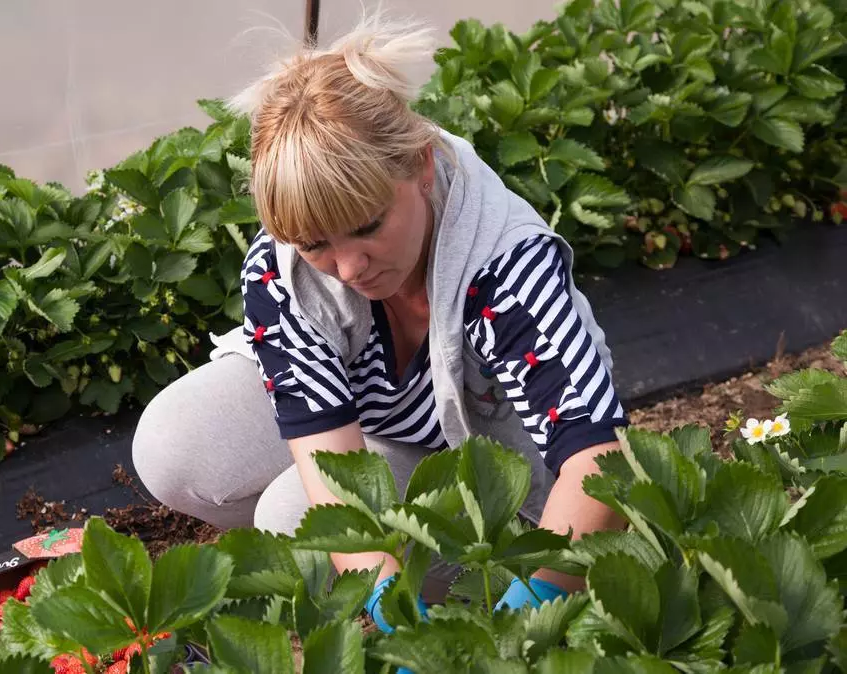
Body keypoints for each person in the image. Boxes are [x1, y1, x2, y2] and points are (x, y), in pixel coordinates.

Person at [132, 12, 628, 626]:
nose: (346, 267)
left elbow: (599, 460)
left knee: (292, 518)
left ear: (421, 165)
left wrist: (529, 614)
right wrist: (393, 611)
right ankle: (378, 572)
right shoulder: (284, 265)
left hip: (495, 481)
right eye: (316, 244)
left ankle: (486, 584)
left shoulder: (505, 266)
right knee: (176, 447)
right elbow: (323, 450)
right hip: (376, 427)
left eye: (367, 227)